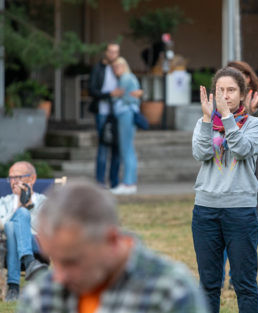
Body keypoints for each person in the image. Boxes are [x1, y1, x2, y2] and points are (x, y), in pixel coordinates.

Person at [17, 180, 209, 313]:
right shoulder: (41, 295)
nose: (58, 276)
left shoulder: (169, 291)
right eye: (53, 260)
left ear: (111, 240)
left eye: (71, 262)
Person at [192, 66, 258, 313]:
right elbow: (200, 153)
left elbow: (243, 149)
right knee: (209, 284)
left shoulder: (254, 124)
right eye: (220, 90)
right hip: (206, 211)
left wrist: (226, 119)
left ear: (242, 95)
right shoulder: (204, 123)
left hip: (240, 212)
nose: (225, 95)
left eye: (231, 90)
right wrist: (205, 120)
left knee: (245, 284)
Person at [219, 61, 258, 288]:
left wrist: (252, 112)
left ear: (250, 78)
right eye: (235, 76)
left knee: (246, 227)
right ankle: (219, 276)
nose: (241, 78)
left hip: (254, 171)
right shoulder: (219, 105)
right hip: (225, 170)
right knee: (221, 225)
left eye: (244, 75)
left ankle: (238, 277)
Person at [0, 161, 48, 302]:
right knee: (11, 227)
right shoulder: (4, 201)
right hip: (7, 244)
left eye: (19, 177)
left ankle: (13, 287)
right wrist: (20, 206)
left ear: (32, 179)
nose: (14, 182)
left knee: (17, 220)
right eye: (11, 178)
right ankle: (29, 262)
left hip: (36, 243)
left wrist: (28, 207)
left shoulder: (43, 202)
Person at [89, 43, 123, 189]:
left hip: (118, 113)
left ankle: (114, 182)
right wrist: (109, 94)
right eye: (110, 51)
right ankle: (100, 182)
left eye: (116, 52)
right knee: (103, 147)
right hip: (102, 112)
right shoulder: (98, 68)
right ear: (105, 52)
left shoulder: (120, 68)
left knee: (117, 148)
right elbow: (92, 90)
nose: (113, 54)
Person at [109, 57, 140, 195]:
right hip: (127, 114)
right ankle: (129, 182)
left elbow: (122, 96)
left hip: (125, 114)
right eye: (114, 67)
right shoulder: (129, 78)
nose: (116, 69)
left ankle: (128, 183)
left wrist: (115, 95)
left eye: (118, 66)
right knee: (128, 149)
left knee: (126, 149)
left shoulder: (126, 78)